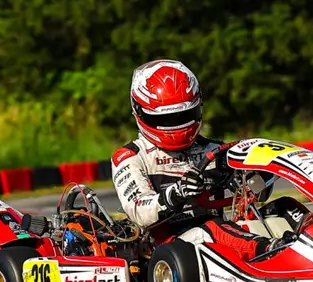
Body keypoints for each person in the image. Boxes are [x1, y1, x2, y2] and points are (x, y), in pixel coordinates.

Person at [111, 60, 270, 240]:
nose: (176, 125)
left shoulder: (215, 150)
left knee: (282, 208)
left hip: (221, 240)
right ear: (140, 112)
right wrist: (177, 193)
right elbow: (139, 212)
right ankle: (265, 250)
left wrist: (254, 178)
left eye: (184, 116)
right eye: (166, 119)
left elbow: (260, 195)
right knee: (209, 230)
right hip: (167, 246)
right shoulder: (130, 158)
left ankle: (287, 249)